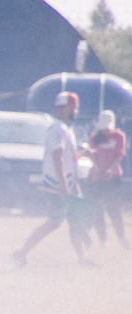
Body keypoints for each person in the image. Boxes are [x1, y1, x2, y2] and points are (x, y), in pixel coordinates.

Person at [15, 90, 94, 267]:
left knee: (75, 221)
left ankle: (82, 258)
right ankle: (22, 252)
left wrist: (83, 154)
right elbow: (57, 156)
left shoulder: (65, 128)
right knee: (54, 222)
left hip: (69, 182)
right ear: (66, 108)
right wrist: (64, 185)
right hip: (59, 184)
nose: (75, 111)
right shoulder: (57, 129)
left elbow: (68, 157)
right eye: (74, 107)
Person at [88, 108, 127, 244]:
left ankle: (121, 237)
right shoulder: (94, 137)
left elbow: (119, 155)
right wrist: (97, 168)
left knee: (113, 208)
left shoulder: (119, 136)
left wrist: (111, 169)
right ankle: (102, 238)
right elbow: (92, 154)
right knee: (97, 208)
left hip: (113, 177)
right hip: (97, 177)